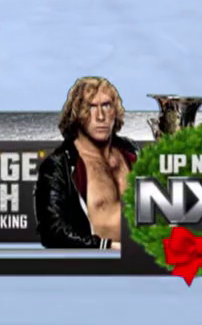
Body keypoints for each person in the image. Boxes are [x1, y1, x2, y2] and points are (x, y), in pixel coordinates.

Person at [34, 76, 136, 248]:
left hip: (142, 259)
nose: (101, 116)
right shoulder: (60, 165)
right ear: (77, 114)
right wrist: (105, 247)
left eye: (106, 105)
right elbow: (52, 232)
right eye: (91, 107)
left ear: (115, 111)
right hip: (99, 261)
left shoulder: (131, 153)